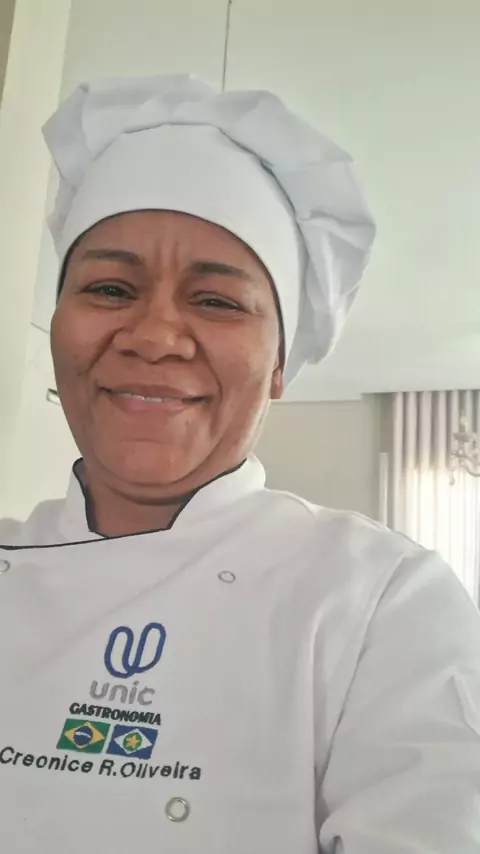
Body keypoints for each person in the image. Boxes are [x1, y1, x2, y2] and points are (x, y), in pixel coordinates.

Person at [0, 75, 479, 854]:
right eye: (110, 288)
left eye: (217, 301)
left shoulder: (381, 600)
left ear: (280, 363)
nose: (153, 336)